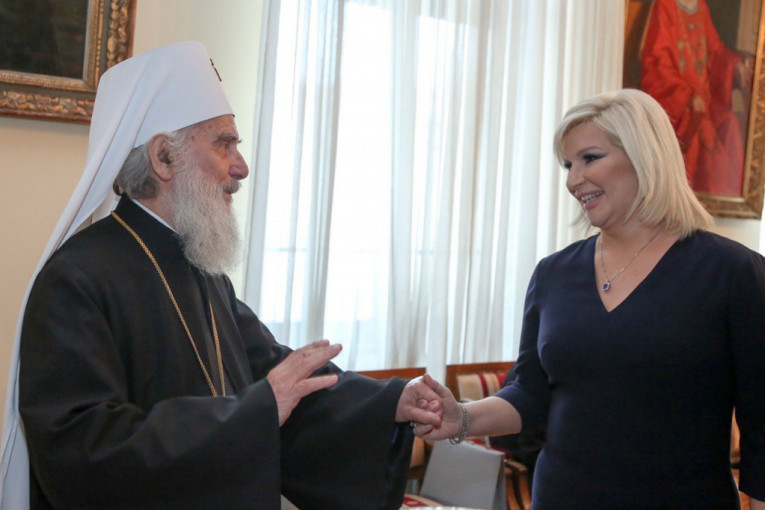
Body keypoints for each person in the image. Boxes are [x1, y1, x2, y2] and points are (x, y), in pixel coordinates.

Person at [0, 41, 443, 509]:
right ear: (163, 158)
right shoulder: (76, 280)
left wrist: (390, 402)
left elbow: (275, 372)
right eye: (223, 144)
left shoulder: (199, 266)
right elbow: (80, 452)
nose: (241, 167)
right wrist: (254, 412)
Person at [414, 89, 765, 509]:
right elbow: (530, 393)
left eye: (590, 158)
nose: (572, 180)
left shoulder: (732, 271)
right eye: (568, 164)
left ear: (645, 156)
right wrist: (462, 418)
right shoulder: (553, 274)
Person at [641, 0, 753, 196]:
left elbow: (715, 52)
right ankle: (695, 199)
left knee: (729, 123)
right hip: (677, 101)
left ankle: (729, 200)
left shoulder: (700, 5)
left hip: (706, 100)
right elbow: (657, 63)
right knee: (700, 130)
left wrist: (734, 65)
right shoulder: (665, 5)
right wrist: (687, 96)